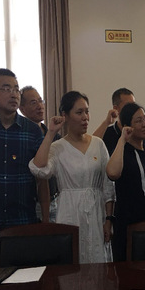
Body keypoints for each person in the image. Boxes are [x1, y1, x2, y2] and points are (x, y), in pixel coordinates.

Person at [29, 91, 115, 264]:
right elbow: (39, 169)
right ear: (65, 115)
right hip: (69, 212)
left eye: (87, 111)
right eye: (79, 112)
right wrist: (50, 132)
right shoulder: (58, 147)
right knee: (73, 262)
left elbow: (108, 185)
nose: (85, 117)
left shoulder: (98, 144)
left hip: (96, 213)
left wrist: (109, 219)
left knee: (97, 260)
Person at [0, 69, 44, 267]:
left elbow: (42, 177)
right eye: (7, 88)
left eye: (16, 89)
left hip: (22, 220)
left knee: (23, 279)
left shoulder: (33, 131)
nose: (14, 94)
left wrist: (45, 218)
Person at [106, 102, 145, 261]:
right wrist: (122, 140)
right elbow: (112, 173)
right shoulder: (122, 151)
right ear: (127, 126)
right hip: (128, 223)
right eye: (138, 121)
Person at [20, 85, 59, 223]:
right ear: (22, 109)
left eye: (41, 101)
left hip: (56, 200)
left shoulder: (54, 135)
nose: (40, 106)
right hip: (33, 203)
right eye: (33, 102)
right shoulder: (21, 137)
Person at [93, 87, 145, 161]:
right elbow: (91, 148)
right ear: (116, 108)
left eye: (133, 104)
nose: (132, 108)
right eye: (128, 105)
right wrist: (107, 122)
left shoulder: (142, 133)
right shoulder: (109, 134)